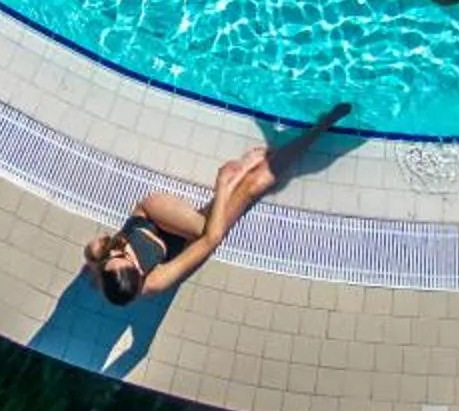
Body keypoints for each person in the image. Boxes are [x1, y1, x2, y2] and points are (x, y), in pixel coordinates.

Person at [81, 103, 354, 305]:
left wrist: (227, 183)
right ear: (140, 276)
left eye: (117, 258)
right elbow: (213, 240)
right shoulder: (153, 283)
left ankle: (310, 132)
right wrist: (224, 184)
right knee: (255, 184)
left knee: (215, 218)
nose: (123, 254)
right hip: (187, 238)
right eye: (127, 260)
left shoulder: (99, 251)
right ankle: (321, 126)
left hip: (153, 216)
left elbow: (209, 235)